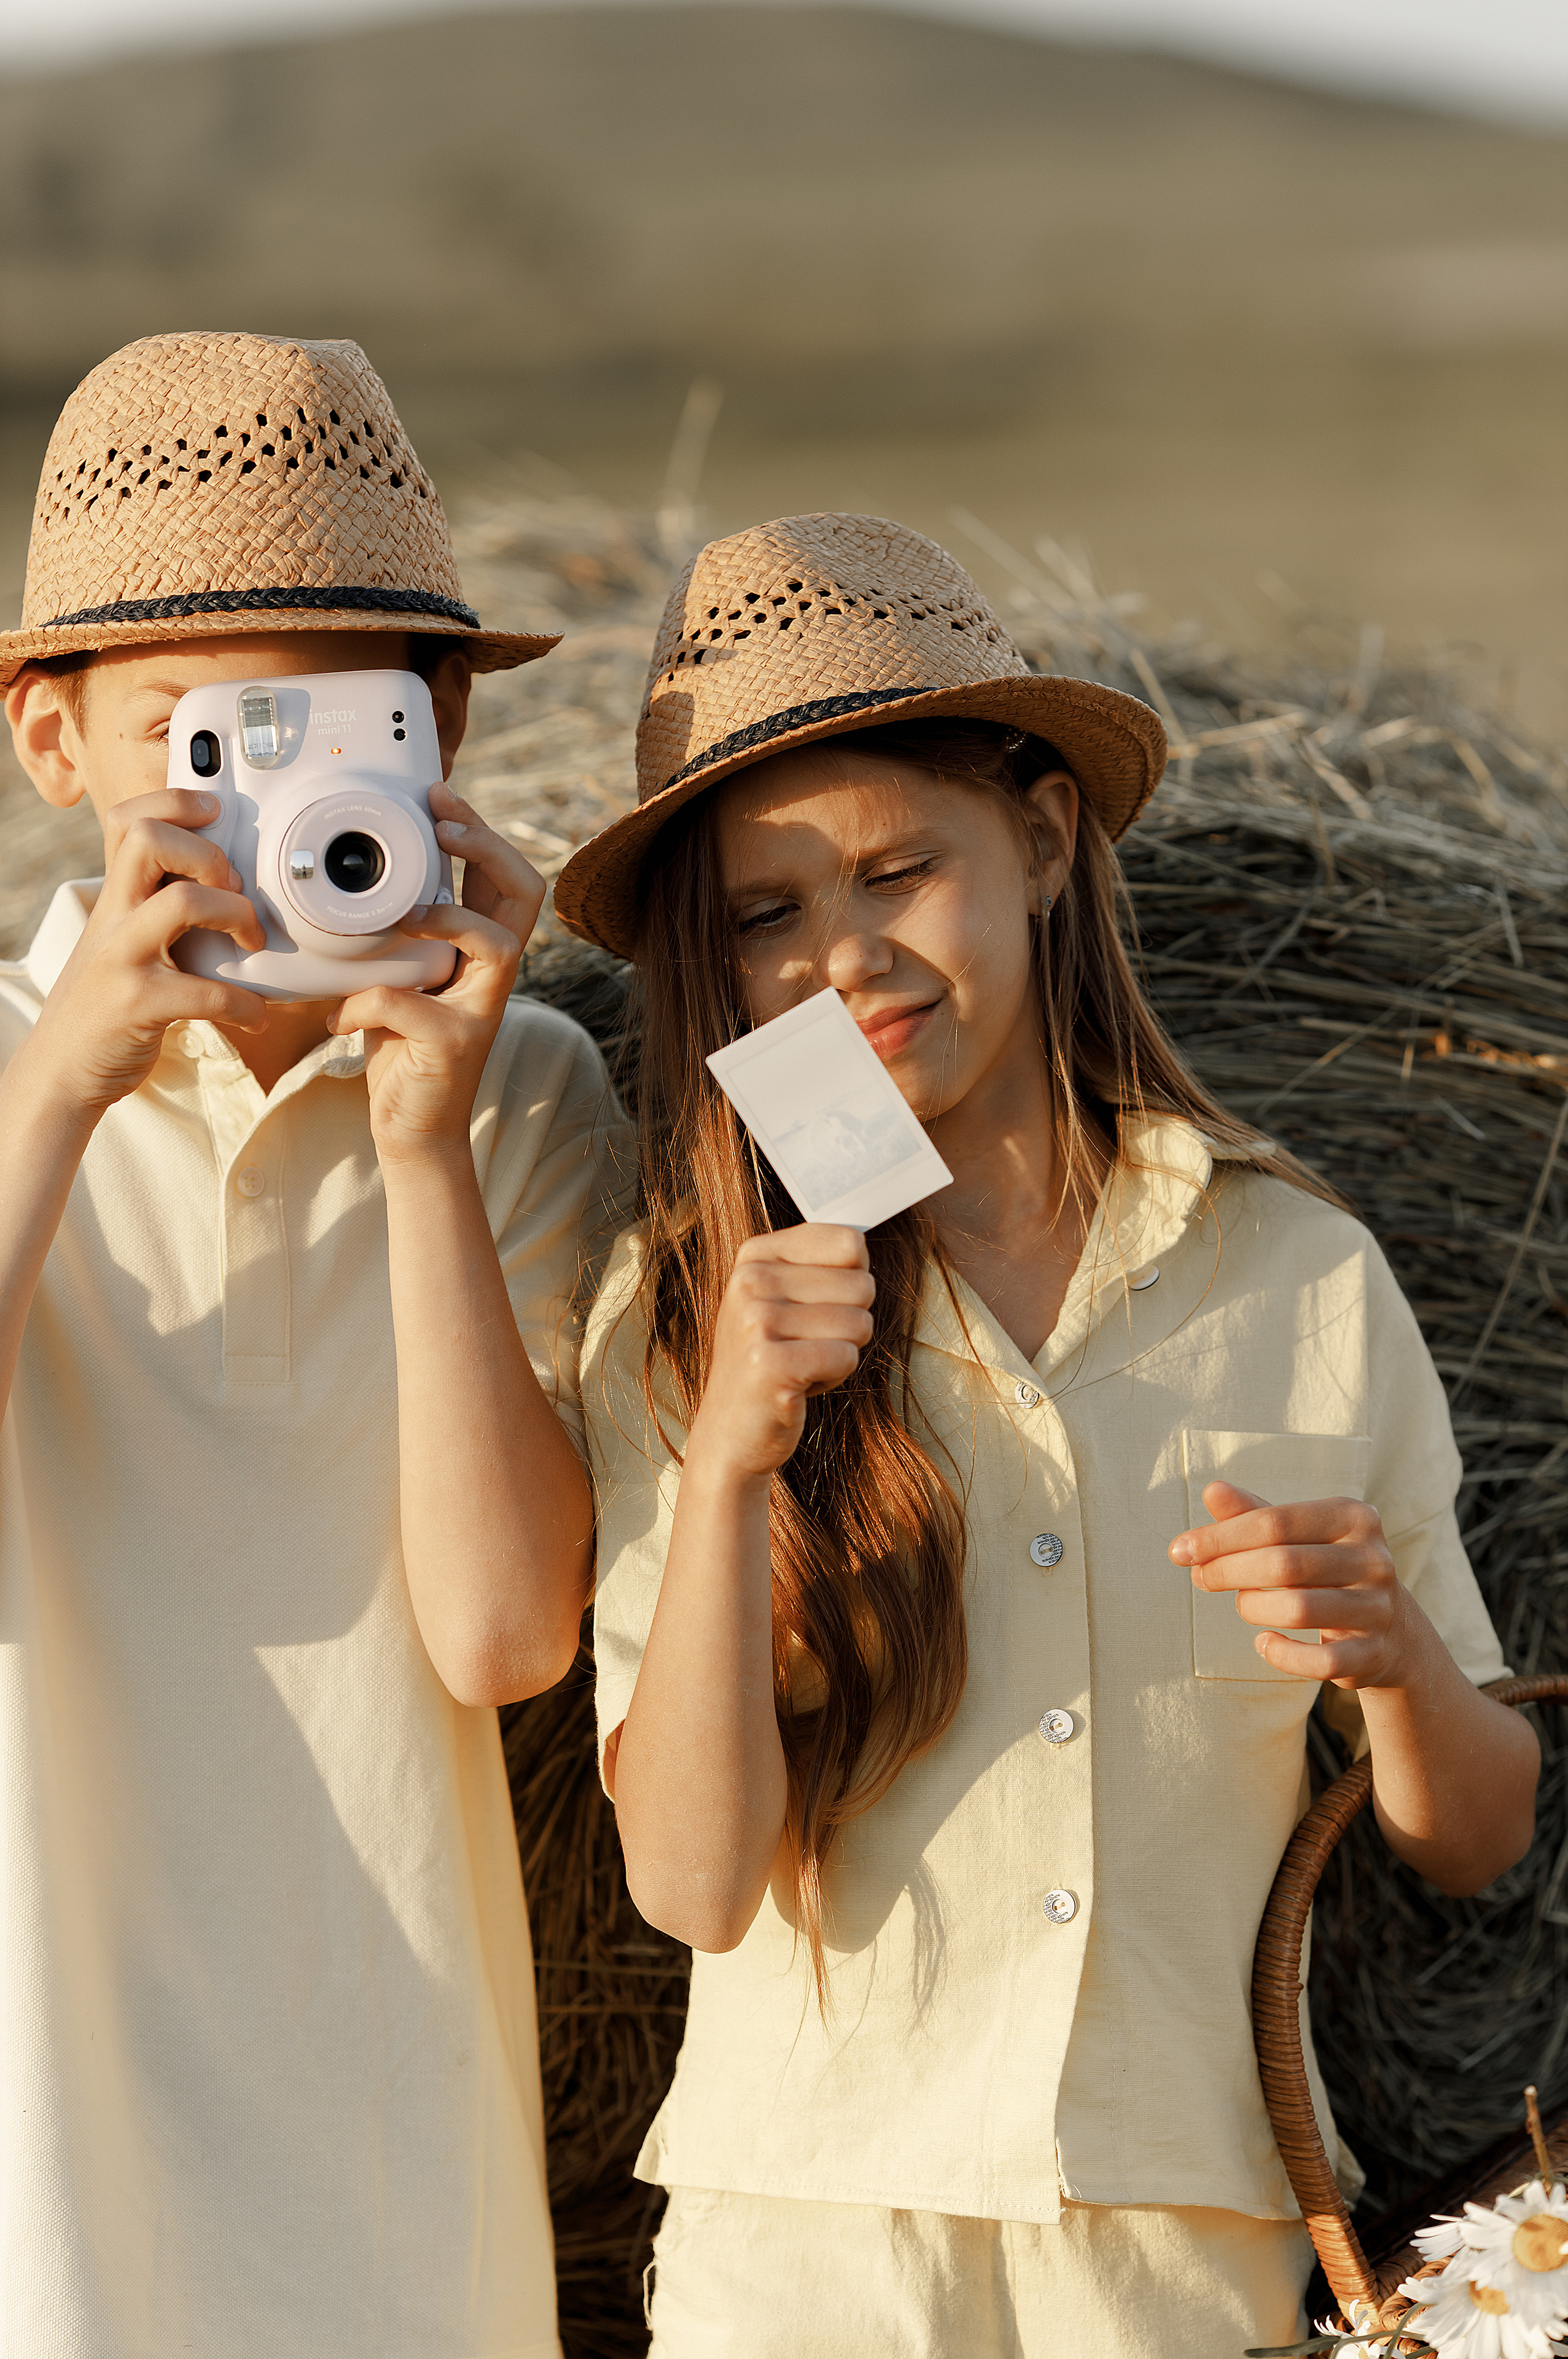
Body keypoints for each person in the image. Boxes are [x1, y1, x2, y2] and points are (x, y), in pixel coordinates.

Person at [552, 512, 1540, 2359]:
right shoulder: (687, 1324)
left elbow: (1476, 1835)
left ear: (1040, 832)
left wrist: (1394, 1660)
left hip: (1179, 2251)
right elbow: (693, 1883)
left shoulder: (1300, 1276)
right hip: (812, 2254)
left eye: (894, 871)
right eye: (769, 917)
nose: (844, 957)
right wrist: (731, 1466)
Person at [0, 332, 625, 2359]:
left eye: (339, 722)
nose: (274, 800)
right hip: (41, 2154)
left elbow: (507, 1639)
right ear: (51, 743)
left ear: (436, 734)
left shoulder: (523, 1095)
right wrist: (65, 1095)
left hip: (392, 2145)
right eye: (198, 730)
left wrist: (430, 1145)